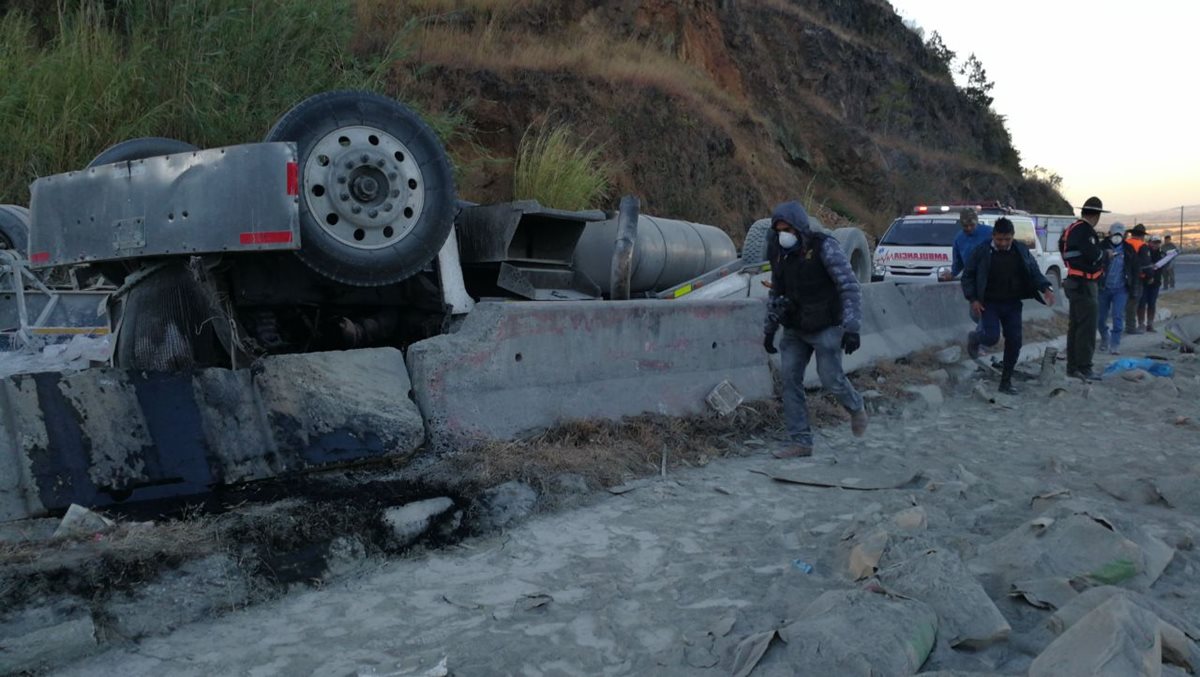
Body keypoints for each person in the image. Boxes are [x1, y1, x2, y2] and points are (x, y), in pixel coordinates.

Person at [763, 200, 868, 458]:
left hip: (826, 325)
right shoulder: (777, 251)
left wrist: (852, 327)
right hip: (795, 326)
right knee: (789, 381)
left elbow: (849, 286)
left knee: (831, 379)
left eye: (787, 229)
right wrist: (769, 328)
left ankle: (855, 407)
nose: (783, 235)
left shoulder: (825, 247)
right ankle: (801, 441)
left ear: (799, 228)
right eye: (779, 230)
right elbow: (777, 291)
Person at [964, 218, 1055, 394]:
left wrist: (1045, 287)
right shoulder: (982, 251)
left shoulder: (1020, 250)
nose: (1004, 243)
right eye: (999, 239)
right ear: (993, 236)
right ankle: (974, 338)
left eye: (1007, 239)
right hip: (989, 303)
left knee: (1015, 341)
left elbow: (1034, 271)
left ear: (1013, 237)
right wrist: (973, 298)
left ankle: (1005, 381)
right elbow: (968, 276)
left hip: (1012, 303)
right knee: (991, 337)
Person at [1059, 196, 1107, 380]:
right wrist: (1104, 254)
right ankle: (1084, 367)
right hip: (1084, 284)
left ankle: (1073, 367)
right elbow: (1094, 255)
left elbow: (1065, 252)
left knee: (1076, 327)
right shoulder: (1086, 231)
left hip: (1074, 281)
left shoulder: (1071, 229)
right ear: (1096, 216)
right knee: (1086, 328)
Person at [1097, 222, 1136, 354]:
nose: (1117, 237)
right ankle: (1104, 337)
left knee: (1117, 316)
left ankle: (1115, 344)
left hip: (1121, 289)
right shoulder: (1101, 247)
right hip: (1103, 288)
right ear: (1109, 234)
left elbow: (1135, 269)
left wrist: (1134, 287)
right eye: (1115, 234)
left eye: (1121, 234)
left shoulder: (1129, 249)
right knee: (1101, 318)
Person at [1123, 224, 1152, 334]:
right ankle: (1130, 327)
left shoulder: (1125, 243)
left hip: (1123, 276)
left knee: (1124, 302)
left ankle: (1124, 325)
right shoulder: (1142, 245)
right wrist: (1149, 276)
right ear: (1142, 235)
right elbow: (1145, 264)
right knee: (1133, 302)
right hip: (1136, 278)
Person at [1139, 236, 1164, 332]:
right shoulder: (1144, 252)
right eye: (1154, 242)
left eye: (1157, 243)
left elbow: (1164, 266)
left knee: (1152, 304)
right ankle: (1141, 324)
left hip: (1156, 283)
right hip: (1144, 282)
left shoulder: (1162, 254)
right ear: (1149, 242)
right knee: (1141, 304)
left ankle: (1150, 324)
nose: (1155, 244)